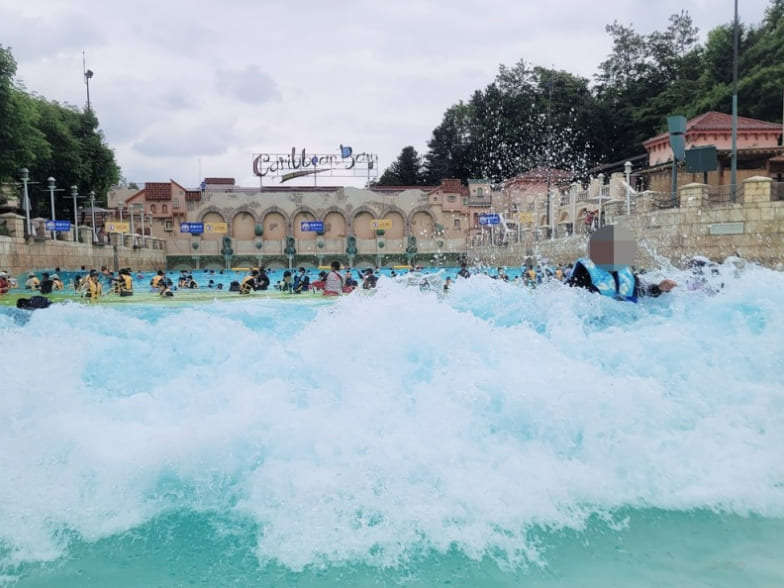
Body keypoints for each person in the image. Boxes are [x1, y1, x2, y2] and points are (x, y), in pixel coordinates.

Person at [566, 225, 677, 302]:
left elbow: (646, 291)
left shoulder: (625, 273)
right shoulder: (584, 271)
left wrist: (660, 288)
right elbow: (568, 298)